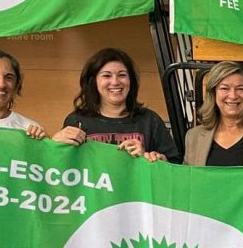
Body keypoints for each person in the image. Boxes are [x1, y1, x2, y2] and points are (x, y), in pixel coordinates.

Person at [53, 48, 181, 163]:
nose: (115, 82)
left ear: (131, 81)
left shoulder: (150, 120)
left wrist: (154, 159)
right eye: (106, 75)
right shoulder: (76, 120)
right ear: (94, 82)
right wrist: (54, 144)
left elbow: (175, 167)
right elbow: (63, 167)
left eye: (122, 75)